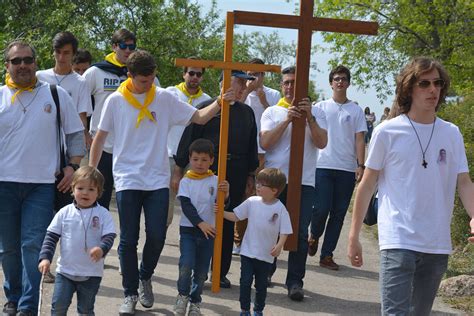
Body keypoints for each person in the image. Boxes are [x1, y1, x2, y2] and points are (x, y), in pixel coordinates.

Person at [89, 50, 227, 315]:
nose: (148, 84)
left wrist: (221, 101)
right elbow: (100, 136)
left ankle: (145, 275)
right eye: (143, 80)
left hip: (156, 179)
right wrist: (92, 172)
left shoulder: (164, 98)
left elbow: (198, 117)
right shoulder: (115, 101)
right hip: (127, 178)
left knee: (157, 234)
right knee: (128, 240)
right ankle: (129, 292)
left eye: (152, 78)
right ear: (129, 76)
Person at [348, 57, 474, 315]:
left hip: (436, 243)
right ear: (409, 88)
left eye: (437, 83)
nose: (433, 90)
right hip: (398, 239)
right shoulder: (387, 131)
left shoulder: (451, 133)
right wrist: (353, 236)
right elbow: (367, 183)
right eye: (424, 83)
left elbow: (464, 182)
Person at [0, 40, 85, 316]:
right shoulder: (0, 95)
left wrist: (72, 166)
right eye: (16, 61)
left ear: (36, 62)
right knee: (8, 248)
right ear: (7, 65)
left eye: (27, 60)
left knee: (32, 244)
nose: (23, 65)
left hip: (42, 185)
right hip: (4, 184)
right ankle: (12, 297)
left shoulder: (56, 94)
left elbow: (75, 134)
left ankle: (27, 306)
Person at [174, 69, 259, 289]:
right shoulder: (205, 108)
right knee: (203, 215)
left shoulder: (247, 112)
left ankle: (220, 271)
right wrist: (178, 168)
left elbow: (252, 146)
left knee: (228, 218)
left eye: (244, 84)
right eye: (238, 83)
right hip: (205, 170)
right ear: (224, 84)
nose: (242, 88)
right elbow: (189, 139)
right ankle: (196, 268)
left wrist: (251, 174)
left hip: (237, 170)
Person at [260, 66, 327, 301]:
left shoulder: (317, 112)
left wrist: (309, 117)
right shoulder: (271, 112)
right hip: (275, 181)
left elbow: (322, 143)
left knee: (298, 233)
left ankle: (295, 282)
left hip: (304, 182)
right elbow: (266, 142)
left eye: (295, 83)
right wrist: (287, 120)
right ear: (281, 85)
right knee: (270, 228)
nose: (290, 87)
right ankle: (266, 271)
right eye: (286, 82)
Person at [307, 65, 366, 271]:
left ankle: (327, 254)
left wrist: (361, 165)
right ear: (331, 83)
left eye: (343, 79)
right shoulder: (320, 106)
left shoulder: (356, 110)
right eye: (336, 79)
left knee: (339, 213)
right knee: (321, 208)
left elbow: (360, 139)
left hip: (347, 168)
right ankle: (314, 235)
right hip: (323, 164)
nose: (340, 82)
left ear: (348, 83)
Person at [38, 166, 116, 315]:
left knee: (85, 310)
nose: (85, 192)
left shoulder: (103, 214)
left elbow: (109, 236)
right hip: (65, 271)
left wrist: (102, 248)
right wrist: (45, 258)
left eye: (91, 189)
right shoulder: (64, 212)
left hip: (91, 273)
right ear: (73, 189)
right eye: (81, 188)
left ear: (99, 192)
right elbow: (51, 236)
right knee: (58, 307)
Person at [84, 28, 144, 210]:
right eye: (123, 46)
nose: (127, 50)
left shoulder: (140, 74)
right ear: (114, 47)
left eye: (131, 47)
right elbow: (80, 106)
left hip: (130, 147)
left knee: (128, 200)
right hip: (102, 145)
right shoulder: (95, 72)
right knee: (97, 195)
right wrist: (85, 133)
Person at [223, 168, 292, 315]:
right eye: (257, 183)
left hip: (266, 256)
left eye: (262, 184)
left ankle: (258, 310)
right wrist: (221, 213)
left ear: (274, 190)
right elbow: (236, 216)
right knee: (245, 282)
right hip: (248, 252)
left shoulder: (280, 209)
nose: (257, 186)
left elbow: (285, 230)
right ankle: (244, 309)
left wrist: (279, 245)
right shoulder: (252, 202)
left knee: (261, 286)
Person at [173, 139, 229, 316]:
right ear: (190, 158)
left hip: (209, 232)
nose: (199, 163)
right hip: (189, 230)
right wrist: (200, 223)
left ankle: (195, 302)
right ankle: (182, 295)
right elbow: (186, 206)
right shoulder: (186, 181)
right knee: (186, 264)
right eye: (196, 159)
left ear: (212, 160)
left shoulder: (216, 180)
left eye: (204, 159)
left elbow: (222, 205)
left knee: (201, 271)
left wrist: (226, 196)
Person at [233, 57, 281, 255]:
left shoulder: (274, 93)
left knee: (262, 195)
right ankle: (238, 239)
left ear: (264, 75)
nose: (255, 78)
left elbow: (278, 114)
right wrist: (249, 91)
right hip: (245, 150)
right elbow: (236, 108)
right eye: (252, 74)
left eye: (259, 74)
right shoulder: (243, 91)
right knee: (244, 195)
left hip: (265, 152)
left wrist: (263, 100)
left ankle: (259, 241)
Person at [167, 58, 211, 227]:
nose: (194, 77)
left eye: (198, 74)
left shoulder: (207, 100)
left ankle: (189, 236)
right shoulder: (170, 93)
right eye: (191, 73)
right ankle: (160, 237)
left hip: (194, 159)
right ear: (183, 73)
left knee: (195, 202)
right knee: (167, 204)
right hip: (170, 155)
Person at [36, 31, 93, 153]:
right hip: (40, 140)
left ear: (73, 54)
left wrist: (84, 136)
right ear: (53, 52)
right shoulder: (39, 77)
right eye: (58, 52)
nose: (61, 57)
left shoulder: (81, 82)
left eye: (66, 53)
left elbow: (81, 117)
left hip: (67, 144)